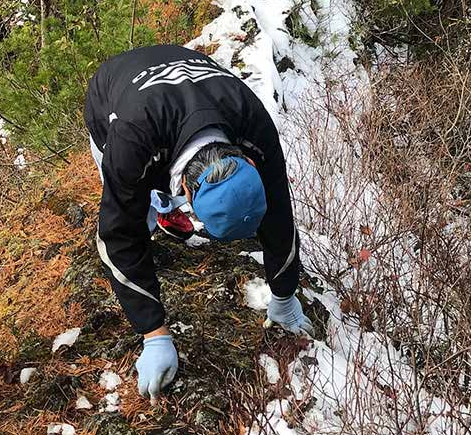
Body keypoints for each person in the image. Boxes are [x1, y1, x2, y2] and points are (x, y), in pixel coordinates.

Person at [83, 44, 314, 400]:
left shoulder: (253, 123)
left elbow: (279, 209)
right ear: (187, 195)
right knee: (132, 209)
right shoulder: (130, 140)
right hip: (112, 92)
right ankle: (157, 210)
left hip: (192, 78)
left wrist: (284, 296)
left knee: (149, 176)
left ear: (251, 163)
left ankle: (162, 205)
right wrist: (154, 334)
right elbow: (117, 234)